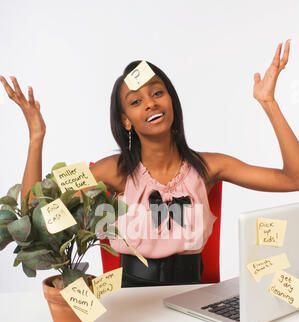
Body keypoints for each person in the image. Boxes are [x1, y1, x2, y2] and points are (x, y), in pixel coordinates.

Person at [1, 40, 298, 287]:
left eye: (157, 93)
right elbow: (34, 211)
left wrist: (268, 102)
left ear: (171, 100)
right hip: (132, 299)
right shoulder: (111, 170)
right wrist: (36, 137)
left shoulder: (210, 166)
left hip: (192, 295)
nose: (151, 103)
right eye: (136, 101)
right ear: (126, 120)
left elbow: (292, 179)